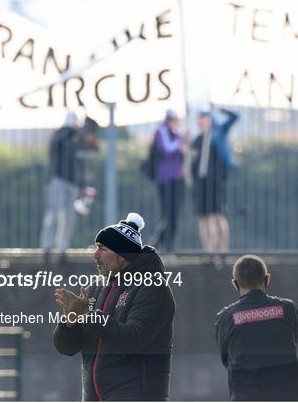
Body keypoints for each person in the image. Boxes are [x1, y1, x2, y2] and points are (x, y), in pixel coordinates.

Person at [53, 212, 175, 401]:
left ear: (122, 255)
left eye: (103, 249)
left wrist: (88, 315)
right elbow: (66, 348)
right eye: (96, 248)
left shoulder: (151, 288)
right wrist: (70, 321)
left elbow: (135, 339)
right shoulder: (94, 289)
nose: (95, 255)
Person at [215, 254, 298, 401]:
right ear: (267, 279)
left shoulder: (226, 318)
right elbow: (293, 339)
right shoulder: (288, 309)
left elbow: (225, 358)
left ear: (235, 283)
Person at [40, 113, 98, 264]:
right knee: (53, 214)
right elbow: (59, 144)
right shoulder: (60, 135)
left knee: (69, 217)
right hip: (58, 180)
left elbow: (80, 162)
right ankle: (46, 248)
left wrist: (83, 185)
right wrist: (69, 130)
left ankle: (62, 250)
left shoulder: (77, 139)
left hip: (72, 183)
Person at [192, 105, 239, 254]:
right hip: (202, 182)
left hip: (216, 181)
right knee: (204, 217)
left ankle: (222, 249)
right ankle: (208, 250)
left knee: (216, 216)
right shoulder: (199, 139)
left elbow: (235, 117)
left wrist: (219, 108)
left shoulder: (219, 132)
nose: (201, 122)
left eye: (204, 118)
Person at [153, 110, 187, 252]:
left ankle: (161, 244)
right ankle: (163, 245)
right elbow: (167, 149)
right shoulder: (162, 131)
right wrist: (181, 140)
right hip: (165, 180)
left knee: (173, 215)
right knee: (168, 214)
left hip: (175, 180)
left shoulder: (174, 133)